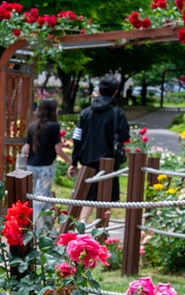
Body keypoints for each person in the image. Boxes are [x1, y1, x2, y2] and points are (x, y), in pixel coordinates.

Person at [69, 75, 130, 223]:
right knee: (105, 199)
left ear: (99, 90)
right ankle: (102, 235)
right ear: (115, 92)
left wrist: (74, 161)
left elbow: (77, 138)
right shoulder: (117, 113)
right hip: (109, 164)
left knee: (86, 198)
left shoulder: (85, 113)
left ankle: (81, 226)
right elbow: (124, 135)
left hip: (87, 163)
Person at [21, 97, 72, 231]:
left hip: (31, 167)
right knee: (40, 201)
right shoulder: (53, 126)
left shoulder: (32, 126)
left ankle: (51, 233)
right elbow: (58, 150)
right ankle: (37, 232)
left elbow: (26, 149)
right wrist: (71, 162)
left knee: (45, 200)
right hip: (46, 169)